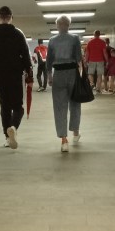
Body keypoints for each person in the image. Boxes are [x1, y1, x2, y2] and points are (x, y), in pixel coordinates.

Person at [0, 6, 33, 149]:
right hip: (15, 74)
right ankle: (14, 128)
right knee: (18, 107)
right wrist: (29, 77)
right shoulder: (18, 34)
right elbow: (26, 56)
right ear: (11, 17)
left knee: (5, 106)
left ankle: (7, 137)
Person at [47, 15, 83, 153]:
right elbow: (79, 58)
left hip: (58, 74)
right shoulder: (74, 38)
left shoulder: (52, 40)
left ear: (57, 26)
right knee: (75, 103)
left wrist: (50, 76)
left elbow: (49, 60)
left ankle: (64, 140)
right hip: (72, 72)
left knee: (59, 107)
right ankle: (75, 132)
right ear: (69, 25)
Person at [84, 30, 108, 94]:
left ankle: (92, 83)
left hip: (91, 60)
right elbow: (104, 52)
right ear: (99, 34)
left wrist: (85, 60)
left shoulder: (90, 42)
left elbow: (87, 53)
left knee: (90, 74)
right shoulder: (103, 42)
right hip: (100, 60)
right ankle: (98, 89)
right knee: (99, 75)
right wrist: (107, 60)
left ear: (94, 34)